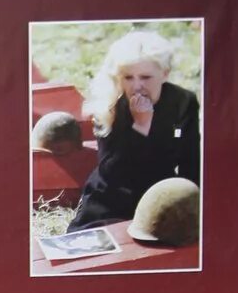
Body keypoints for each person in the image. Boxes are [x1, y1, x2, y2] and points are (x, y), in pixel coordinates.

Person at [68, 32, 200, 232]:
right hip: (111, 199)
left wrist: (191, 202)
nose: (137, 86)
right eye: (128, 77)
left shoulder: (182, 102)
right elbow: (112, 171)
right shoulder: (111, 104)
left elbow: (190, 159)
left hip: (158, 194)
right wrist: (141, 125)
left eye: (146, 77)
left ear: (165, 74)